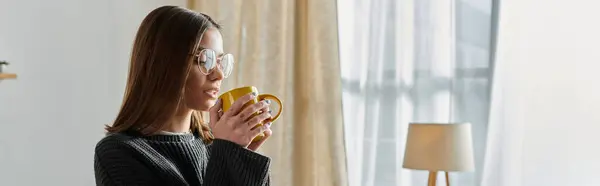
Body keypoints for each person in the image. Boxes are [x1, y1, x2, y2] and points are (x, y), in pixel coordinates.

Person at [94, 5, 273, 186]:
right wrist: (228, 155)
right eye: (205, 60)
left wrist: (242, 159)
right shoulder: (119, 153)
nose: (219, 74)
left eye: (221, 61)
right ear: (162, 64)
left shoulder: (216, 144)